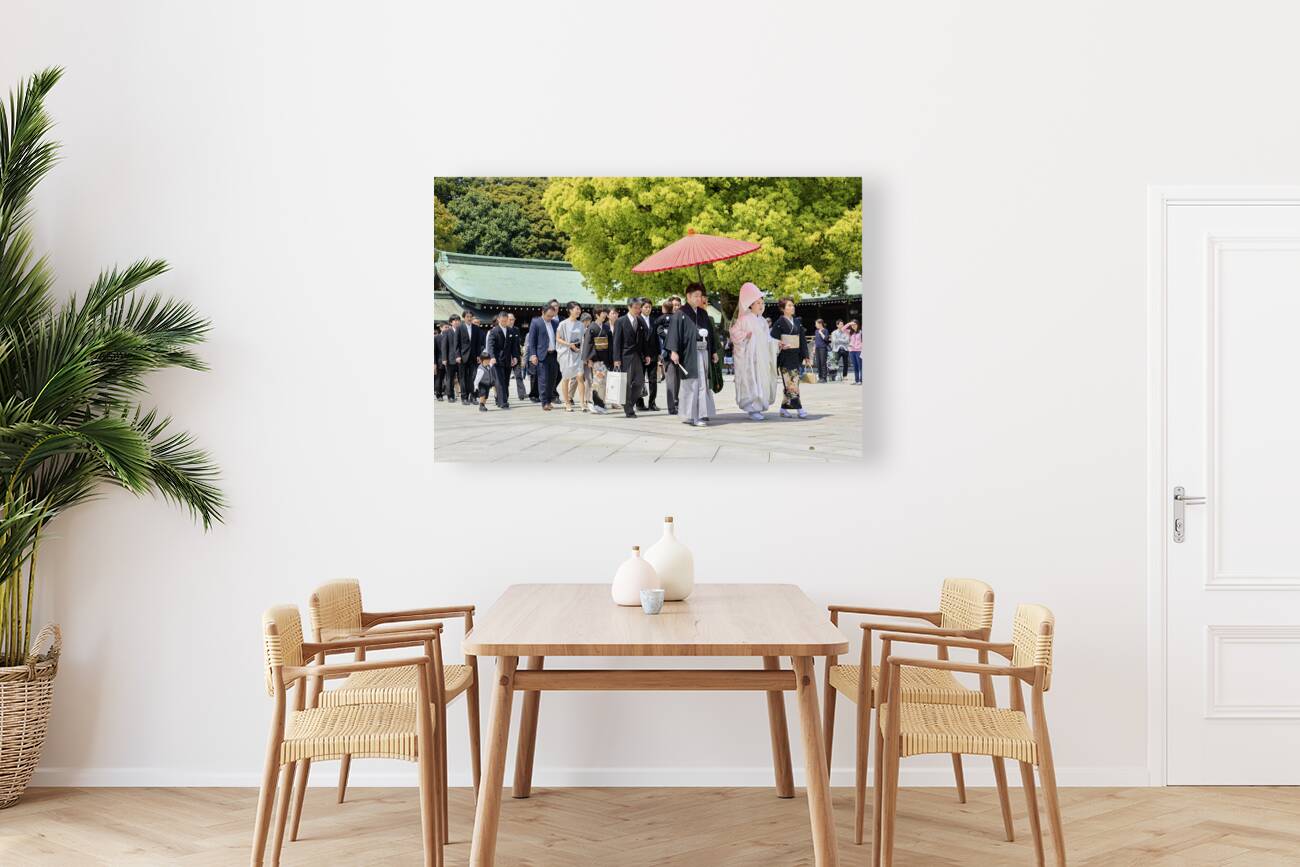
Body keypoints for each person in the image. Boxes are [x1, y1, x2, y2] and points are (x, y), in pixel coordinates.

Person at [664, 282, 717, 427]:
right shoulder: (680, 314)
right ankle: (690, 415)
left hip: (703, 350)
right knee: (691, 383)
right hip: (688, 353)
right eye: (696, 296)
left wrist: (713, 351)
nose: (699, 299)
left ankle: (701, 414)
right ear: (688, 296)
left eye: (700, 296)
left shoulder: (703, 313)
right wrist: (674, 351)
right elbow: (674, 333)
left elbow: (710, 334)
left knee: (702, 382)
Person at [728, 282, 782, 420]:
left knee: (762, 380)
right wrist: (745, 335)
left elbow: (767, 339)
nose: (760, 305)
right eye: (757, 303)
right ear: (750, 305)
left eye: (762, 302)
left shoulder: (763, 321)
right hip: (750, 358)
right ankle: (752, 408)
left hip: (762, 357)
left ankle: (759, 405)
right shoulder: (744, 319)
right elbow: (734, 333)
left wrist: (777, 344)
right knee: (752, 381)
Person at [611, 298, 651, 418]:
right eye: (636, 307)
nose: (638, 310)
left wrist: (647, 354)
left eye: (639, 307)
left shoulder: (640, 321)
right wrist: (616, 358)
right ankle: (629, 410)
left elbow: (644, 340)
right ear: (629, 307)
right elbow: (616, 341)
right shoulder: (620, 321)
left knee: (639, 382)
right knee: (626, 383)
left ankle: (629, 403)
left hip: (638, 356)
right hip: (625, 356)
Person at [770, 298, 809, 418]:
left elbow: (802, 339)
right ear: (783, 309)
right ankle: (799, 409)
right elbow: (772, 339)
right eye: (789, 305)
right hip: (785, 356)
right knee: (792, 383)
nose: (793, 307)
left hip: (795, 356)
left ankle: (783, 409)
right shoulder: (779, 322)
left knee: (792, 383)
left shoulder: (797, 322)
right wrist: (780, 344)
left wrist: (806, 355)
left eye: (793, 305)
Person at [526, 301, 561, 411]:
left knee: (553, 379)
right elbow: (532, 340)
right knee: (543, 379)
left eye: (552, 316)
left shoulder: (555, 323)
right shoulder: (536, 322)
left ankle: (549, 400)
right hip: (542, 355)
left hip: (554, 355)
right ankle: (544, 402)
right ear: (542, 312)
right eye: (548, 315)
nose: (550, 318)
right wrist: (533, 355)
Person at [556, 301, 587, 412]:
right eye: (576, 309)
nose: (578, 311)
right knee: (566, 378)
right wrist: (569, 345)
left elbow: (583, 339)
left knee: (580, 376)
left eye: (579, 309)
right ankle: (567, 402)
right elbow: (558, 338)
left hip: (578, 353)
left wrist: (582, 351)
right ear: (570, 310)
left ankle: (582, 402)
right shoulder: (563, 324)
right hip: (566, 353)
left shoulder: (581, 324)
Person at [486, 311, 515, 409]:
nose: (504, 322)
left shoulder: (510, 331)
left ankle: (501, 400)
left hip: (507, 360)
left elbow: (514, 346)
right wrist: (492, 357)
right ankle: (503, 402)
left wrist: (514, 357)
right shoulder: (493, 331)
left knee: (506, 381)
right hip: (497, 360)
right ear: (498, 319)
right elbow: (490, 346)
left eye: (506, 321)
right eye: (502, 321)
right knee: (499, 381)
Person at [654, 299, 679, 414]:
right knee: (674, 380)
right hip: (677, 352)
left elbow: (658, 331)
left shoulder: (660, 319)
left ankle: (673, 405)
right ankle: (674, 405)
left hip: (666, 352)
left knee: (671, 380)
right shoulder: (677, 318)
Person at [639, 297, 660, 411]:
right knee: (640, 380)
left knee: (653, 380)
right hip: (641, 355)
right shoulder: (637, 320)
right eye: (646, 307)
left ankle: (652, 402)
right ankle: (640, 403)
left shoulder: (654, 320)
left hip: (653, 354)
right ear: (641, 308)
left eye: (649, 307)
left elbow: (656, 338)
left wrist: (659, 353)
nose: (648, 309)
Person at [507, 313, 527, 400]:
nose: (512, 321)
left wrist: (520, 357)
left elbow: (518, 344)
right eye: (510, 319)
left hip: (516, 356)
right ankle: (505, 394)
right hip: (507, 357)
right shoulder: (504, 330)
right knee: (506, 377)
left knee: (519, 375)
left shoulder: (516, 330)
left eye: (513, 319)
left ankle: (522, 394)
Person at [434, 323, 449, 401]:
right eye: (445, 327)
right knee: (439, 379)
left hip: (450, 361)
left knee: (450, 379)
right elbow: (434, 352)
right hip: (440, 361)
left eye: (448, 327)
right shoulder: (436, 338)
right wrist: (434, 363)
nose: (447, 329)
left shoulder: (451, 336)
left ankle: (449, 394)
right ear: (441, 328)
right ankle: (439, 394)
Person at [813, 318, 831, 383]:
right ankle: (820, 377)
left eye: (816, 324)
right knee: (818, 363)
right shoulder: (816, 331)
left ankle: (824, 378)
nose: (815, 325)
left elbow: (826, 339)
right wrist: (814, 348)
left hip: (823, 348)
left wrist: (821, 333)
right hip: (817, 348)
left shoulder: (825, 330)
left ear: (820, 324)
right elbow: (816, 340)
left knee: (823, 363)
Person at [848, 320, 863, 384]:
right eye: (852, 325)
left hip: (859, 351)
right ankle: (856, 380)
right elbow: (843, 329)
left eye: (855, 324)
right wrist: (849, 323)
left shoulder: (861, 332)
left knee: (860, 366)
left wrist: (860, 347)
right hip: (851, 351)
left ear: (858, 325)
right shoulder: (850, 332)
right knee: (855, 366)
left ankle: (860, 380)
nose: (853, 326)